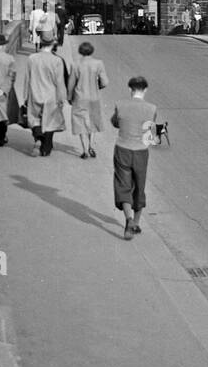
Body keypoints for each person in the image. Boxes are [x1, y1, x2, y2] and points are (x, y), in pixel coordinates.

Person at [110, 76, 158, 240]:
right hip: (141, 152)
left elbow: (115, 122)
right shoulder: (151, 108)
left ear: (130, 89)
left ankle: (128, 219)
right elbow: (150, 136)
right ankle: (135, 223)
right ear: (145, 90)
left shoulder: (120, 105)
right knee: (139, 186)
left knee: (123, 185)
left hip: (122, 149)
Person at [21, 31, 67, 156]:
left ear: (40, 42)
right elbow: (59, 82)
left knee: (35, 119)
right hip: (51, 95)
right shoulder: (57, 61)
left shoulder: (32, 58)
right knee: (50, 121)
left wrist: (25, 95)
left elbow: (27, 78)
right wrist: (61, 97)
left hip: (35, 93)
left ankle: (38, 138)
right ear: (53, 43)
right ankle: (46, 147)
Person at [67, 41, 107, 159]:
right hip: (94, 97)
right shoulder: (98, 63)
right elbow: (105, 82)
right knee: (93, 121)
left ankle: (84, 150)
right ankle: (91, 145)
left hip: (80, 97)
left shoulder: (76, 65)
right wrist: (97, 86)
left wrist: (69, 97)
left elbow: (71, 84)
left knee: (80, 122)